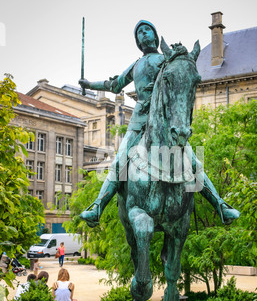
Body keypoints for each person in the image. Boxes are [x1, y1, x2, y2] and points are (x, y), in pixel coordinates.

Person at [79, 20, 240, 227]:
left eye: (147, 30)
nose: (143, 35)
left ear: (155, 36)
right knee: (118, 161)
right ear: (137, 41)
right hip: (138, 122)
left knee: (193, 161)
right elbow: (115, 85)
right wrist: (89, 84)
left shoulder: (167, 60)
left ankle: (220, 205)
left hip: (164, 123)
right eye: (139, 33)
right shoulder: (136, 65)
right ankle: (97, 207)